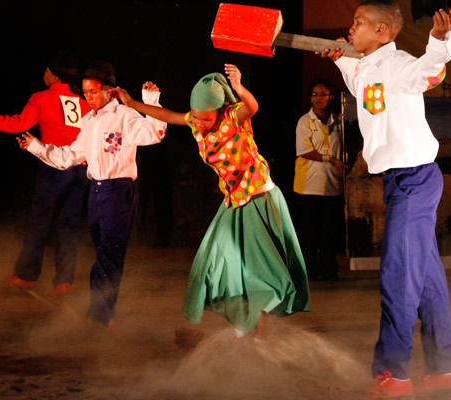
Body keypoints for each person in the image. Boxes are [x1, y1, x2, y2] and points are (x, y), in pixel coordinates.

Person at [318, 1, 451, 398]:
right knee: (427, 281)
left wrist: (439, 41)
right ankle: (444, 371)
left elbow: (430, 72)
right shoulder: (367, 68)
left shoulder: (398, 65)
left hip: (414, 180)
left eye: (359, 22)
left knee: (398, 276)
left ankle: (393, 375)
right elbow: (361, 85)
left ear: (382, 31)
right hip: (401, 182)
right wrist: (340, 59)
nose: (351, 28)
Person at [109, 64, 310, 339]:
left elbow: (252, 107)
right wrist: (132, 103)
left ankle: (259, 334)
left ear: (219, 109)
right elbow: (168, 115)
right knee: (217, 263)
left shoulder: (233, 117)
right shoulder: (195, 121)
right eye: (196, 117)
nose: (200, 124)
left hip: (258, 198)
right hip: (234, 201)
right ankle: (243, 323)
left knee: (258, 270)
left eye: (206, 118)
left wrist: (239, 88)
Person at [17, 60, 167, 327]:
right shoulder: (88, 121)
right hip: (96, 192)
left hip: (117, 191)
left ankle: (99, 317)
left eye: (93, 91)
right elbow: (68, 157)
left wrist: (150, 101)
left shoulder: (124, 115)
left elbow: (155, 133)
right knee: (104, 253)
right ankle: (103, 315)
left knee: (109, 254)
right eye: (85, 92)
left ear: (110, 91)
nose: (88, 97)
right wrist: (35, 147)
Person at [0, 51, 90, 295]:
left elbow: (18, 124)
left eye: (46, 71)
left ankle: (26, 275)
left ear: (55, 76)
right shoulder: (81, 100)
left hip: (53, 166)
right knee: (69, 224)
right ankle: (64, 281)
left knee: (40, 221)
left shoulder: (41, 98)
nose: (44, 74)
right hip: (80, 168)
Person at [293, 78, 346, 282]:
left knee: (329, 230)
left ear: (330, 96)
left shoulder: (338, 121)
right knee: (309, 231)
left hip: (332, 184)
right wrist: (329, 159)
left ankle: (329, 270)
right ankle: (309, 271)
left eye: (323, 94)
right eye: (314, 94)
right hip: (308, 185)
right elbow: (303, 151)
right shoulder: (305, 121)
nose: (318, 98)